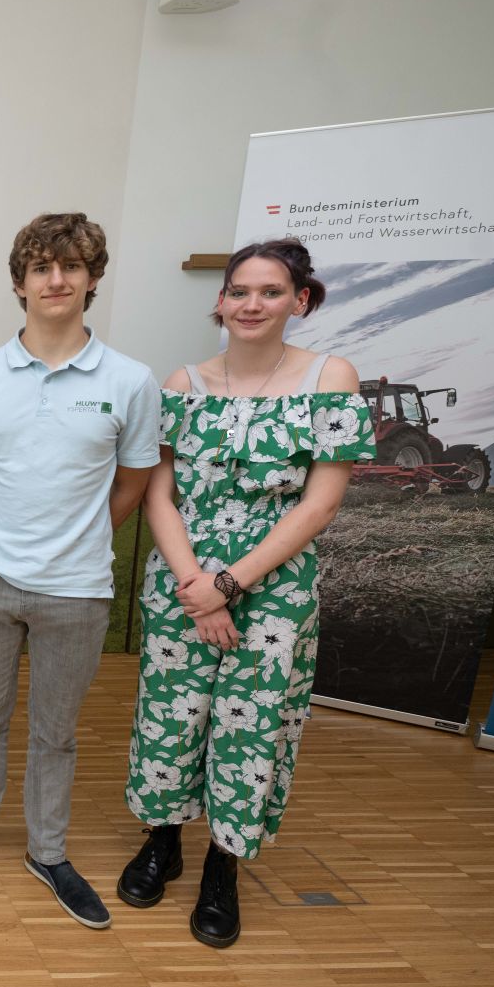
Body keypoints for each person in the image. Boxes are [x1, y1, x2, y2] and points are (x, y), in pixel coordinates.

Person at [0, 213, 160, 934]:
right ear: (19, 282)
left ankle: (48, 852)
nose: (56, 279)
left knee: (55, 731)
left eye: (71, 266)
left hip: (77, 590)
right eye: (41, 267)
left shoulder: (131, 381)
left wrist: (75, 540)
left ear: (91, 278)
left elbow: (134, 482)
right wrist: (3, 536)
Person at [119, 237, 372, 948]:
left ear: (301, 299)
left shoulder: (330, 378)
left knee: (250, 727)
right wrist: (196, 585)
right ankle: (162, 840)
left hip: (274, 590)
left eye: (270, 291)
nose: (251, 303)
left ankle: (221, 865)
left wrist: (230, 584)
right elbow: (158, 494)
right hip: (182, 580)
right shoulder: (185, 383)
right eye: (239, 291)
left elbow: (319, 504)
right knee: (171, 716)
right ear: (221, 300)